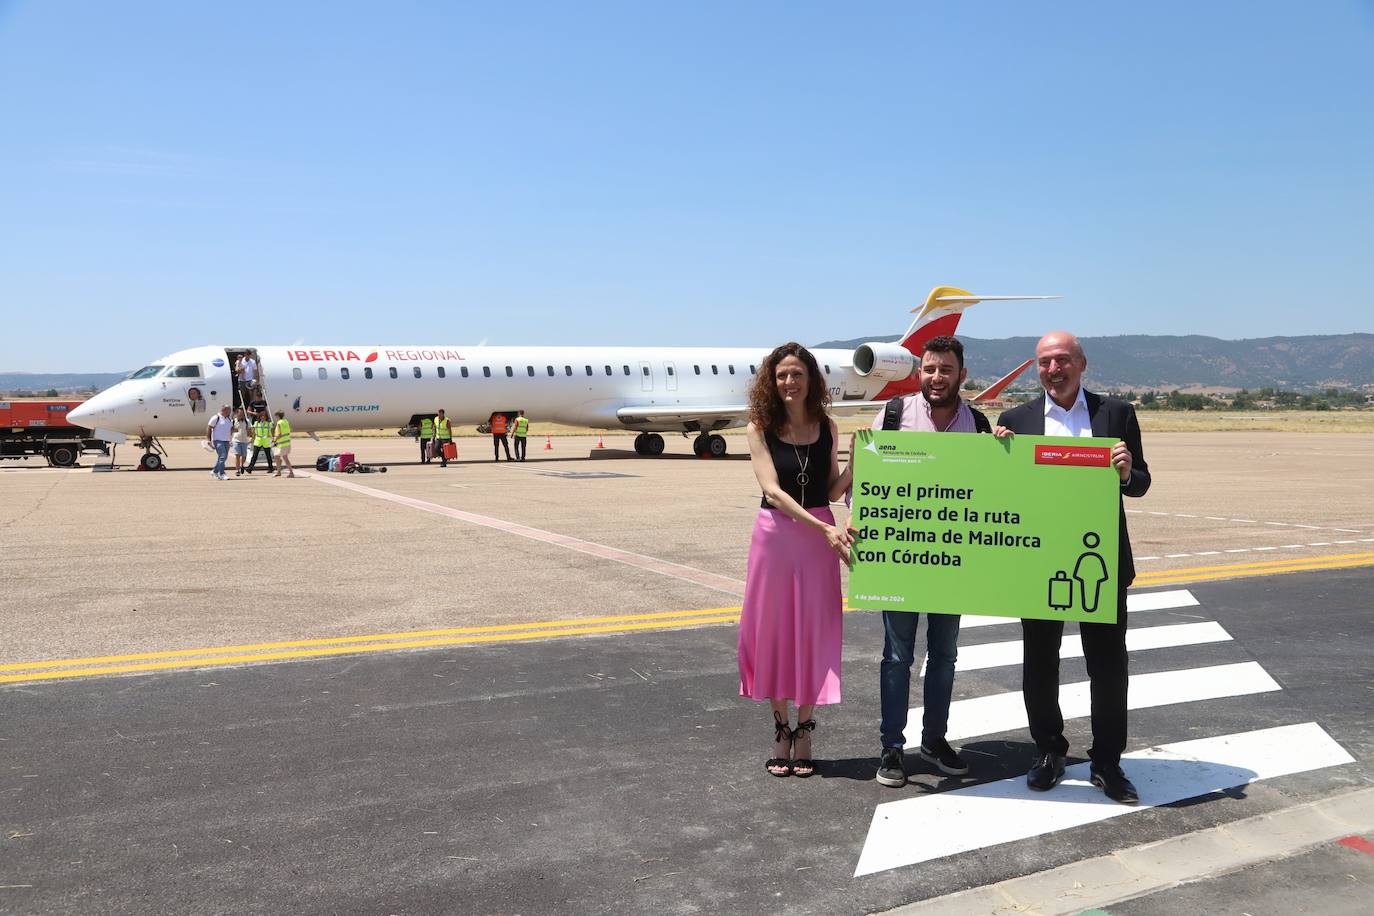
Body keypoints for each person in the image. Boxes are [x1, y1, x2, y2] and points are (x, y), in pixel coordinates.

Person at [993, 331, 1151, 804]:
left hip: (1096, 563)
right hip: (1038, 559)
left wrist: (1125, 472)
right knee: (1039, 662)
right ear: (1036, 368)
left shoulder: (1115, 413)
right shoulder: (1015, 420)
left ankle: (1108, 761)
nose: (1053, 370)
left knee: (1107, 665)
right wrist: (996, 455)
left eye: (1062, 360)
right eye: (1044, 362)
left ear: (1081, 364)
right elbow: (1001, 492)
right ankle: (1048, 751)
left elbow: (1140, 483)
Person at [868, 336, 992, 788]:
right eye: (929, 369)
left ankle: (935, 740)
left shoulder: (977, 424)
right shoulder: (894, 415)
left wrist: (1006, 452)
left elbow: (991, 489)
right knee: (897, 655)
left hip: (952, 560)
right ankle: (892, 748)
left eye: (945, 369)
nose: (936, 377)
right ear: (919, 372)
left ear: (962, 374)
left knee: (944, 656)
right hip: (902, 557)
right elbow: (868, 478)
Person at [739, 342, 853, 778]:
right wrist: (824, 527)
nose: (789, 382)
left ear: (812, 380)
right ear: (773, 381)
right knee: (772, 628)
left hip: (819, 534)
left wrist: (857, 465)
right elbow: (772, 490)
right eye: (782, 375)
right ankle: (780, 727)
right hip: (777, 535)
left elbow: (829, 488)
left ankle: (804, 728)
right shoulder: (759, 428)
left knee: (813, 627)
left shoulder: (828, 426)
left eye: (797, 375)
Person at [206, 405, 233, 480]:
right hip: (218, 440)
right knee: (223, 456)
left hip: (226, 441)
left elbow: (230, 429)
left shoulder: (229, 419)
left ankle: (215, 471)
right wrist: (209, 440)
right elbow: (209, 428)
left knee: (223, 457)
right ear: (224, 410)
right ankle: (221, 473)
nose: (230, 412)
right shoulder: (216, 418)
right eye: (229, 410)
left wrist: (230, 439)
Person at [245, 409, 274, 474]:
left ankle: (271, 468)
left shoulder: (269, 424)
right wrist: (252, 439)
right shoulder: (256, 423)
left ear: (266, 417)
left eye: (264, 416)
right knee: (254, 455)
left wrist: (272, 439)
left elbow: (272, 432)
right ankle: (250, 468)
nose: (263, 417)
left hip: (266, 441)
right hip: (258, 440)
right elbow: (253, 432)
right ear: (259, 417)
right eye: (261, 416)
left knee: (268, 455)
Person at [271, 409, 296, 478]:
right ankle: (279, 471)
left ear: (278, 416)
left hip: (281, 444)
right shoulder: (285, 421)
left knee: (281, 457)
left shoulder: (279, 423)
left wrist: (274, 441)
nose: (275, 418)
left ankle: (290, 472)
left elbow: (280, 434)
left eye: (276, 416)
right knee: (279, 457)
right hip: (286, 442)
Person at [231, 407, 251, 477]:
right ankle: (237, 470)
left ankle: (242, 465)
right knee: (237, 455)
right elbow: (230, 430)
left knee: (244, 456)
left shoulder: (247, 421)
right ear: (237, 414)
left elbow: (249, 430)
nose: (241, 415)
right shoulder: (233, 421)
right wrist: (229, 439)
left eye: (242, 413)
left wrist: (251, 438)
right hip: (236, 440)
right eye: (240, 413)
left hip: (244, 441)